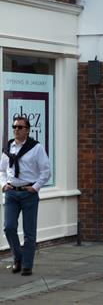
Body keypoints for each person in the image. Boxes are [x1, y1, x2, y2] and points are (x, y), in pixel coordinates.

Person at [1, 114, 50, 276]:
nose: (16, 130)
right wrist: (3, 185)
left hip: (28, 194)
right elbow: (2, 170)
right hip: (11, 193)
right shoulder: (8, 147)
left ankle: (27, 265)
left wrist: (35, 187)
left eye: (20, 127)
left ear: (27, 130)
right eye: (14, 127)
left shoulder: (36, 148)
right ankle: (18, 258)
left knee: (29, 232)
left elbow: (46, 171)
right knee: (9, 227)